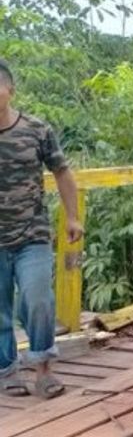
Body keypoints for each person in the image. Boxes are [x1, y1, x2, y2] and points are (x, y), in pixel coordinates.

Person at [0, 59, 81, 400]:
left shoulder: (36, 129)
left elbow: (62, 172)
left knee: (38, 300)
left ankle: (44, 368)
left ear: (9, 90)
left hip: (32, 234)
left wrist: (73, 217)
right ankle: (7, 371)